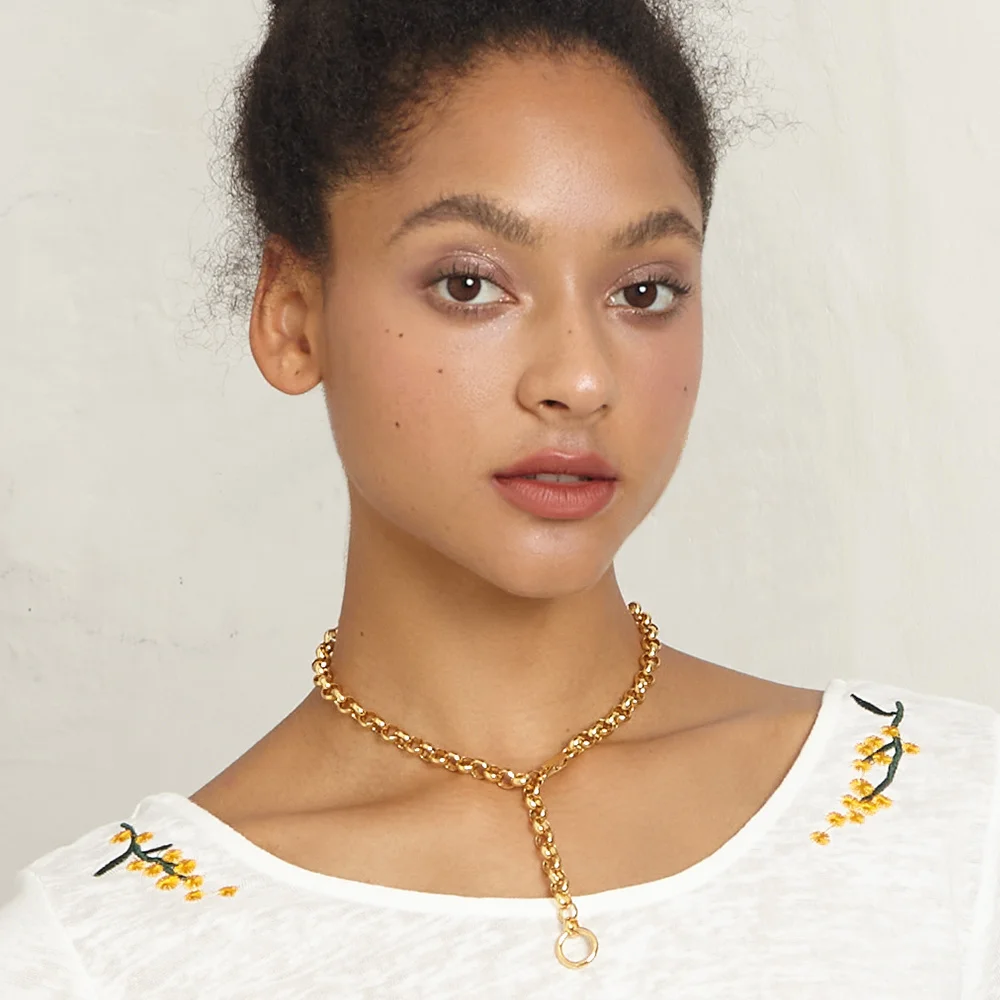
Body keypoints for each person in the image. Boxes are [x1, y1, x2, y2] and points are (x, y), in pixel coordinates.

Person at [2, 0, 999, 996]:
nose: (580, 379)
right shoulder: (96, 955)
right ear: (294, 316)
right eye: (470, 285)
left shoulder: (960, 816)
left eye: (643, 291)